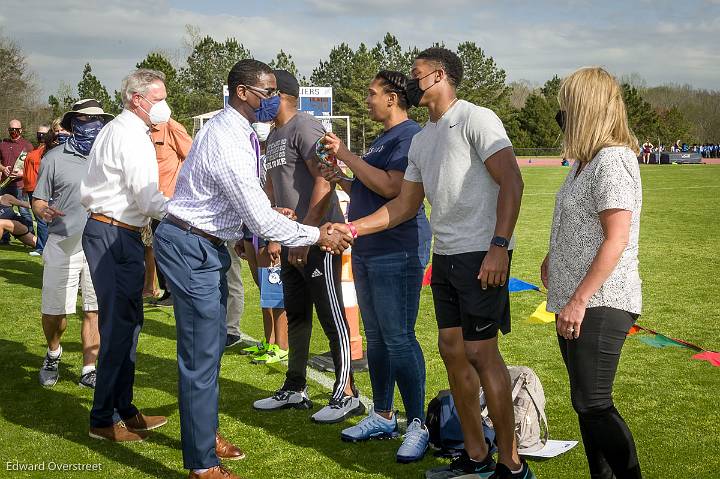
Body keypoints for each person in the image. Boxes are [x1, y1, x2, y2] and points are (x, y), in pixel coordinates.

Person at [329, 48, 534, 479]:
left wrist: (500, 246)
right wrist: (352, 230)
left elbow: (512, 180)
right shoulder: (423, 139)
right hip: (445, 257)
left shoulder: (476, 118)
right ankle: (475, 457)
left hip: (483, 254)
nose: (410, 80)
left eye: (416, 73)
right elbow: (403, 206)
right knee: (452, 351)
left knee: (482, 353)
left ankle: (511, 465)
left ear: (438, 76)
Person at [152, 59, 351, 479]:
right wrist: (316, 236)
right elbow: (261, 219)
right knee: (200, 357)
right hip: (192, 246)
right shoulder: (227, 136)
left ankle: (204, 434)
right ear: (242, 92)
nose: (272, 100)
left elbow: (246, 205)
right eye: (266, 92)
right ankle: (202, 464)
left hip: (205, 245)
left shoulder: (241, 131)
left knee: (208, 354)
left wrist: (254, 222)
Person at [319, 70, 432, 462]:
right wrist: (344, 180)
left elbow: (393, 189)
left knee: (399, 337)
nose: (367, 100)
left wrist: (346, 155)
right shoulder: (384, 138)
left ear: (392, 99)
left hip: (397, 250)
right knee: (378, 338)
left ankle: (418, 423)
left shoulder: (410, 134)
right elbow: (372, 189)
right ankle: (383, 414)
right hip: (368, 246)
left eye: (372, 94)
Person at [541, 66, 643, 479]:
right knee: (584, 401)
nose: (560, 114)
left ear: (585, 109)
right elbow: (581, 223)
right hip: (575, 300)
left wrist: (580, 299)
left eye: (566, 107)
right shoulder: (585, 162)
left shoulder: (613, 160)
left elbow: (616, 238)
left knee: (595, 402)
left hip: (600, 302)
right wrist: (555, 256)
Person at [252, 70, 363, 425]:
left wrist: (308, 232)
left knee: (332, 317)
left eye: (266, 93)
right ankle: (295, 387)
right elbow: (272, 190)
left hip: (317, 241)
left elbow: (325, 180)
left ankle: (347, 394)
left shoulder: (305, 126)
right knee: (297, 315)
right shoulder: (272, 135)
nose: (259, 101)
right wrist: (275, 236)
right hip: (290, 241)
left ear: (281, 94)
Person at [80, 69, 170, 442]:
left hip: (117, 232)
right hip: (114, 233)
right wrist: (190, 213)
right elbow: (148, 199)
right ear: (137, 99)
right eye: (159, 98)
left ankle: (125, 408)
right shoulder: (130, 136)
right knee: (119, 327)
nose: (164, 106)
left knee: (129, 325)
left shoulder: (122, 130)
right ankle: (103, 418)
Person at [33, 100, 113, 390]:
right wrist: (42, 210)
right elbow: (39, 199)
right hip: (62, 241)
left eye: (98, 119)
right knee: (56, 312)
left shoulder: (108, 157)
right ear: (73, 123)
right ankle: (53, 353)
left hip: (100, 244)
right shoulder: (53, 157)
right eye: (85, 119)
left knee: (94, 310)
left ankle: (89, 368)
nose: (92, 125)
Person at [147, 116, 193, 306]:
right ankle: (167, 290)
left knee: (170, 249)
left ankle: (177, 292)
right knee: (157, 248)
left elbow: (192, 156)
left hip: (170, 200)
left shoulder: (172, 128)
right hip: (149, 199)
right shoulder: (144, 130)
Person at [0, 119, 35, 244]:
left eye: (16, 129)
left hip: (20, 185)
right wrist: (3, 169)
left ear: (21, 130)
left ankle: (31, 236)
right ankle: (4, 238)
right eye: (11, 130)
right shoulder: (2, 143)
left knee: (24, 211)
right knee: (2, 212)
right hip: (4, 184)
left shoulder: (28, 145)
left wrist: (22, 173)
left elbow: (34, 166)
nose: (13, 132)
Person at [23, 125, 51, 256]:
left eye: (43, 133)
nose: (41, 136)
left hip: (39, 189)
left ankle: (42, 247)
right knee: (40, 219)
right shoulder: (35, 151)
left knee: (42, 219)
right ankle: (42, 246)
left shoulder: (47, 153)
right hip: (30, 188)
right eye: (39, 133)